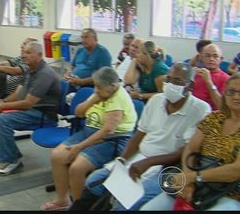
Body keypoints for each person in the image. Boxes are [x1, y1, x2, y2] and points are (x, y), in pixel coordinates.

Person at [70, 63, 211, 211]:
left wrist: (149, 162)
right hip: (140, 157)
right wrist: (122, 160)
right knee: (94, 182)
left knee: (125, 203)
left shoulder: (200, 109)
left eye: (177, 81)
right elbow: (139, 134)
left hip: (168, 167)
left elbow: (186, 151)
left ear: (190, 85)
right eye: (168, 79)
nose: (170, 85)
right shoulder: (156, 100)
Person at [141, 71, 240, 211]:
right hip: (198, 186)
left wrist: (193, 177)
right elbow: (191, 148)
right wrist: (188, 183)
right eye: (231, 91)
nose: (236, 96)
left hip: (234, 193)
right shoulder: (214, 118)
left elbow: (239, 169)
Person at [41, 67, 137, 211]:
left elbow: (107, 130)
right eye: (95, 86)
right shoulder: (99, 92)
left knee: (77, 168)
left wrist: (79, 147)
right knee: (57, 156)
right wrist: (94, 98)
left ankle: (80, 207)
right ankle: (63, 201)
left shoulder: (118, 98)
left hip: (111, 140)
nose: (96, 89)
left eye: (99, 87)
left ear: (112, 86)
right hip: (88, 133)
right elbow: (78, 113)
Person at [0, 42, 60, 175]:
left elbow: (28, 103)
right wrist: (3, 102)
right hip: (32, 109)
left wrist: (2, 106)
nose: (24, 55)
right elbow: (19, 92)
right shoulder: (31, 69)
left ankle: (12, 160)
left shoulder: (44, 74)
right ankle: (4, 150)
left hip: (43, 114)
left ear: (40, 55)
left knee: (4, 119)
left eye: (29, 53)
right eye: (24, 52)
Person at [192, 44, 230, 110]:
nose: (211, 59)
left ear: (221, 59)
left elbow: (222, 107)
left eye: (215, 56)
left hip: (212, 116)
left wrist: (209, 82)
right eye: (207, 56)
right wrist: (189, 78)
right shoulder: (196, 74)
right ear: (201, 57)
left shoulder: (226, 78)